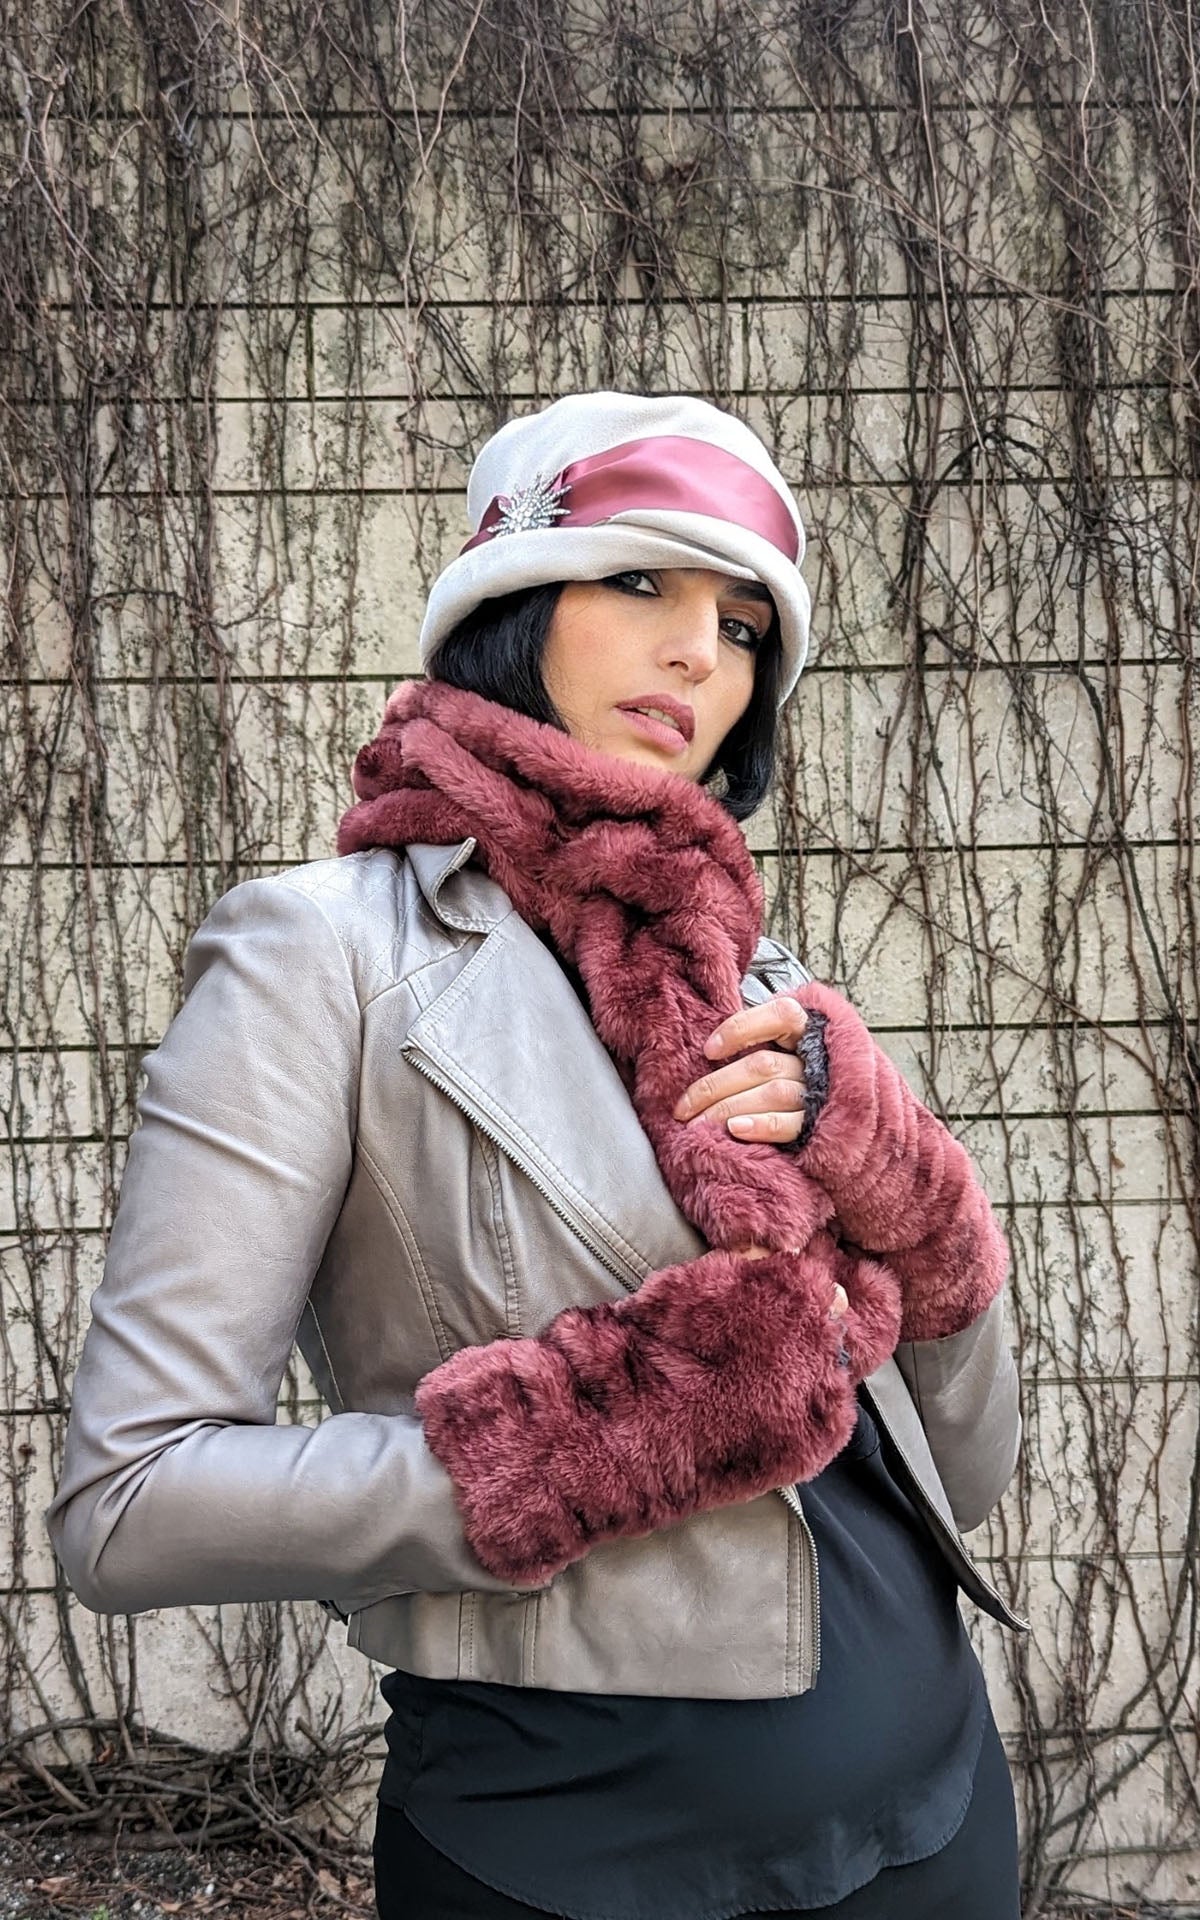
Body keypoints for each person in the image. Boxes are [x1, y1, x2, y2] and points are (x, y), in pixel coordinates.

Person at [48, 391, 1028, 1920]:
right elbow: (130, 1499)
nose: (700, 654)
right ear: (514, 600)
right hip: (577, 1858)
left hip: (945, 1812)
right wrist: (612, 1424)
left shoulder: (749, 978)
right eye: (640, 581)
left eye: (744, 625)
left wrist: (920, 1194)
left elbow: (965, 1473)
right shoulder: (319, 957)